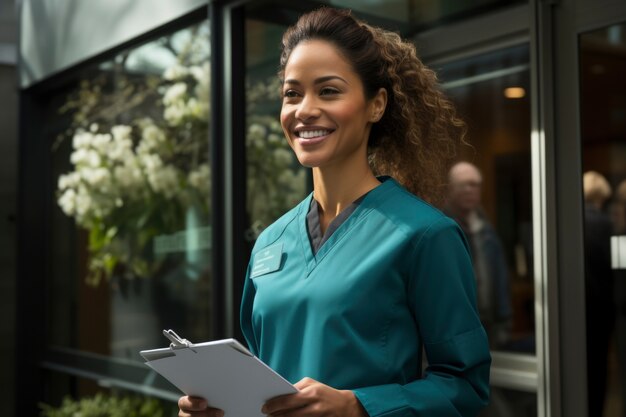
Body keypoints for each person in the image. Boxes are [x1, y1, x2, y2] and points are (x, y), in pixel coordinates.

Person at [179, 7, 491, 417]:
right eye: (292, 93)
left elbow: (465, 386)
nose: (304, 109)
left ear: (376, 105)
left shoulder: (425, 235)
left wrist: (358, 406)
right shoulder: (270, 242)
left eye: (328, 91)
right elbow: (257, 381)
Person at [445, 161, 512, 349]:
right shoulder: (441, 228)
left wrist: (504, 320)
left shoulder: (487, 230)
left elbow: (500, 276)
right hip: (454, 328)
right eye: (462, 185)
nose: (469, 190)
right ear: (450, 189)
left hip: (489, 325)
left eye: (474, 184)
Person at [582, 170, 615, 417]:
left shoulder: (570, 220)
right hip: (602, 308)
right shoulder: (607, 224)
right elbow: (618, 264)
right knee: (598, 369)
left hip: (576, 307)